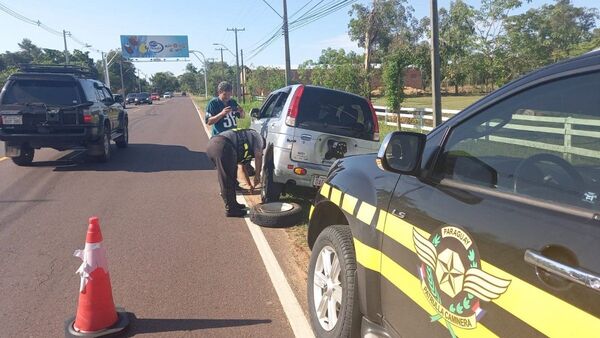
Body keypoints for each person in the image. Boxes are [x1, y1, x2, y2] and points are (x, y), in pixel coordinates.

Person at [206, 128, 263, 217]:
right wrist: (257, 176)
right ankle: (231, 210)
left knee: (231, 177)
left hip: (214, 144)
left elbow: (242, 167)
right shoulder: (258, 139)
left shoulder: (246, 138)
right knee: (227, 179)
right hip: (223, 146)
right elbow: (259, 155)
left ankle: (234, 204)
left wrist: (249, 185)